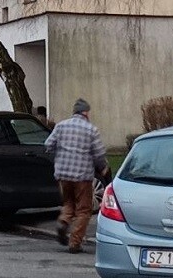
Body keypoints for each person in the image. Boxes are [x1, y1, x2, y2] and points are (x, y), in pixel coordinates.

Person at [44, 98, 109, 254]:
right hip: (82, 176)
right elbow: (99, 154)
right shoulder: (91, 130)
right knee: (84, 210)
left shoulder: (60, 126)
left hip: (63, 175)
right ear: (85, 112)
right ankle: (75, 243)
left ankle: (63, 221)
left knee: (68, 203)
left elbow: (48, 145)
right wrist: (103, 167)